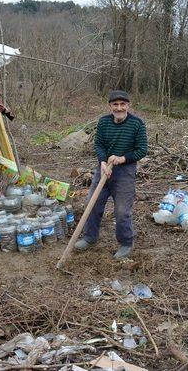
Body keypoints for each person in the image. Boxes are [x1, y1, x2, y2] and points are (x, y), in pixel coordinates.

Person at [74, 90, 148, 259]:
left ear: (128, 106)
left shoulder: (137, 124)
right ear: (110, 106)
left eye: (123, 104)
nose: (119, 108)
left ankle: (125, 242)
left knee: (122, 211)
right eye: (115, 104)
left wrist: (121, 159)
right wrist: (102, 162)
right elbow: (99, 144)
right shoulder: (103, 122)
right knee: (91, 204)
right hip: (104, 169)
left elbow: (142, 150)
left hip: (125, 171)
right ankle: (89, 237)